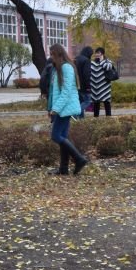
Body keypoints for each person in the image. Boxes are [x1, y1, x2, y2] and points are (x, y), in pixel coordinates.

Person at [47, 43, 89, 176]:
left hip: (65, 108)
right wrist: (51, 108)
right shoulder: (60, 68)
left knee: (56, 136)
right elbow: (56, 92)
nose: (51, 57)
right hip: (62, 108)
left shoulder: (66, 67)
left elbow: (65, 92)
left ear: (59, 54)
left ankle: (79, 159)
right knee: (62, 137)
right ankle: (63, 169)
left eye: (52, 54)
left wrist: (56, 109)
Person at [89, 47, 115, 117]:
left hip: (105, 87)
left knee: (106, 102)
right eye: (96, 53)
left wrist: (102, 61)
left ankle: (108, 118)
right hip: (95, 87)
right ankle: (96, 118)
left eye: (99, 53)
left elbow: (108, 67)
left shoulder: (107, 61)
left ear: (102, 54)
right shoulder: (93, 62)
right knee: (96, 103)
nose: (97, 54)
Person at [74, 45, 93, 117]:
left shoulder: (76, 59)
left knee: (80, 101)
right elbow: (87, 74)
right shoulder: (86, 60)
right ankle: (75, 114)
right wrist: (89, 86)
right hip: (84, 86)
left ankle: (81, 119)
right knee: (88, 101)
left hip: (76, 85)